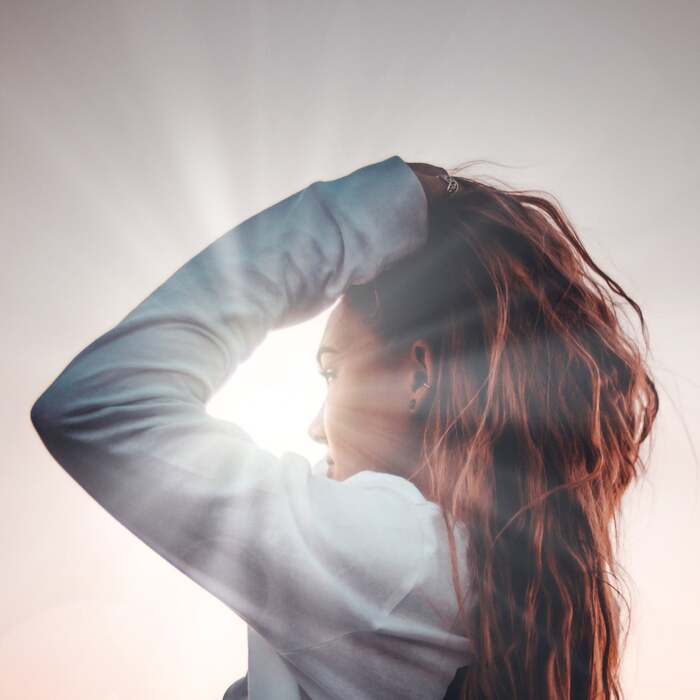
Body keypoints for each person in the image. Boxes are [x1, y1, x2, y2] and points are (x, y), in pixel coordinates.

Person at [31, 154, 658, 699]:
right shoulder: (477, 577)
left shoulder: (398, 555)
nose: (313, 427)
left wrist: (377, 206)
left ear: (418, 376)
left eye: (332, 371)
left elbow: (99, 402)